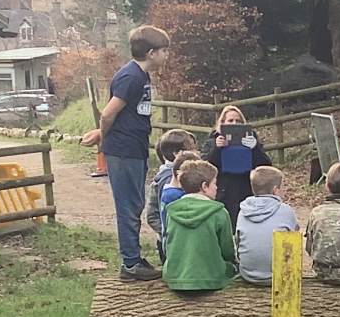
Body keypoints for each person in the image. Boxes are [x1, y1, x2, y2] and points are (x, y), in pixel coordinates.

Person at [82, 25, 169, 282]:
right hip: (124, 150)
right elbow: (108, 113)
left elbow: (122, 114)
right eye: (164, 51)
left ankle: (134, 257)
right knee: (128, 206)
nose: (167, 56)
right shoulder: (131, 77)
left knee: (135, 204)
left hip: (134, 147)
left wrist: (100, 133)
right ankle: (130, 263)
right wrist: (104, 136)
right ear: (151, 53)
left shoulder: (141, 76)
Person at [161, 158, 237, 293]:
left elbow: (168, 244)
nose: (217, 187)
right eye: (214, 183)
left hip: (175, 276)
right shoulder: (219, 212)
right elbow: (227, 249)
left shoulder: (171, 211)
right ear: (204, 186)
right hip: (211, 278)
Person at [201, 104, 272, 225]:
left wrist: (255, 148)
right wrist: (216, 149)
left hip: (246, 188)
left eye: (238, 121)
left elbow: (265, 165)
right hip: (223, 190)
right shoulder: (212, 141)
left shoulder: (251, 139)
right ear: (222, 122)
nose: (234, 123)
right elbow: (205, 167)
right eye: (230, 120)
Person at [233, 165, 301, 286]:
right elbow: (295, 239)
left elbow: (238, 243)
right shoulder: (285, 211)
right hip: (279, 275)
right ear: (275, 190)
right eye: (282, 187)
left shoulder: (243, 211)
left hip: (248, 273)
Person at [146, 128, 194, 260]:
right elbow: (152, 214)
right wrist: (167, 233)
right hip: (172, 242)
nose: (196, 152)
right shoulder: (169, 180)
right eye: (191, 148)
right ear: (177, 154)